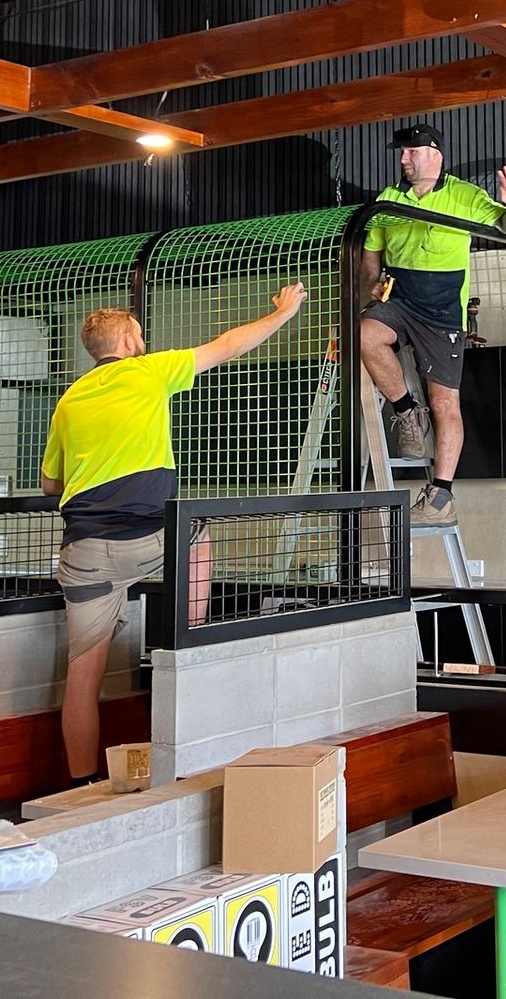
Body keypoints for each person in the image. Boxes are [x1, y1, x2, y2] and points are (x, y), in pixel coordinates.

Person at [41, 285, 305, 785]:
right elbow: (229, 345)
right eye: (139, 333)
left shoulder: (68, 400)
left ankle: (79, 786)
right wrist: (283, 312)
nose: (143, 339)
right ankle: (190, 638)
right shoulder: (147, 371)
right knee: (196, 530)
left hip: (84, 553)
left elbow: (50, 483)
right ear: (125, 336)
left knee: (82, 674)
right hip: (148, 539)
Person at [360, 123, 506, 524]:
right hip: (399, 301)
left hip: (442, 313)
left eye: (411, 151)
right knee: (363, 336)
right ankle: (405, 411)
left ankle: (441, 498)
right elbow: (370, 252)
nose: (403, 158)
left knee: (444, 403)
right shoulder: (387, 200)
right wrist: (371, 283)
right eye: (401, 152)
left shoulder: (464, 195)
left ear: (434, 154)